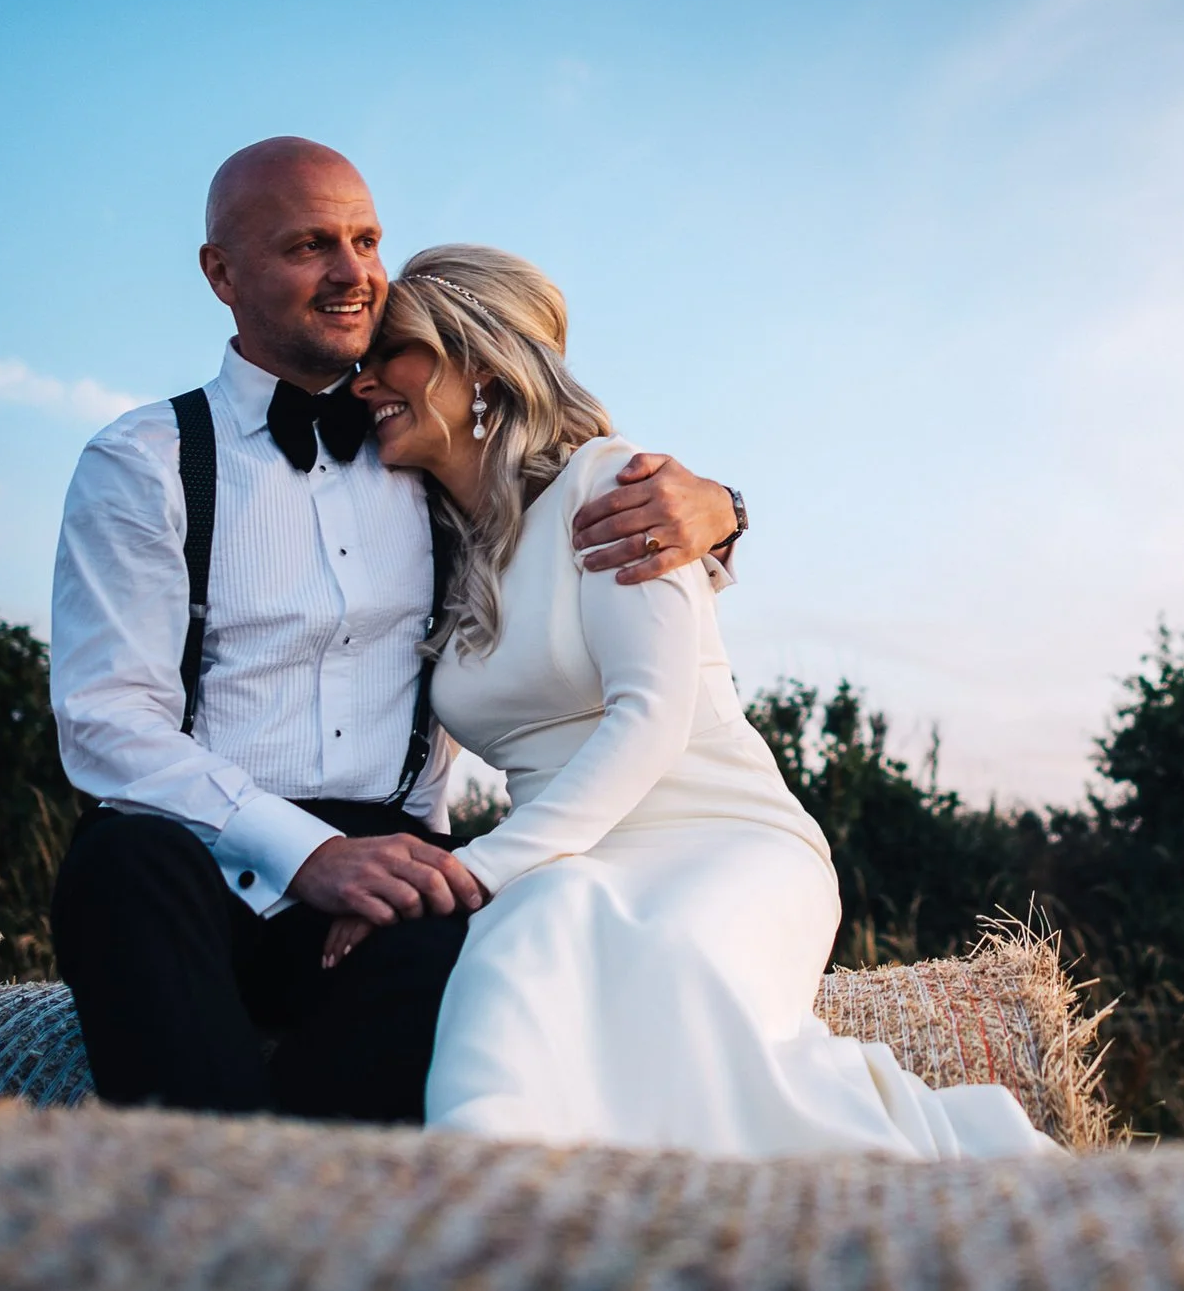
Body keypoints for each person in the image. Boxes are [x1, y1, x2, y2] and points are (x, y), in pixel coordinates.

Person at [48, 137, 743, 1121]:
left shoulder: (437, 455)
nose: (352, 273)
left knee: (465, 935)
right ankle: (205, 1200)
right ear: (221, 272)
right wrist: (304, 852)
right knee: (117, 867)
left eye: (366, 239)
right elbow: (105, 718)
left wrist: (723, 504)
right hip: (206, 857)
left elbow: (578, 508)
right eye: (307, 247)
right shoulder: (145, 461)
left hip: (400, 863)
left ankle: (310, 1212)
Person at [343, 243, 1053, 1158]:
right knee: (531, 959)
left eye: (390, 351)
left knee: (659, 968)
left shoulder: (614, 485)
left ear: (479, 360)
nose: (364, 382)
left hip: (722, 837)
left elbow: (650, 717)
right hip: (565, 860)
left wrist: (476, 873)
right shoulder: (437, 550)